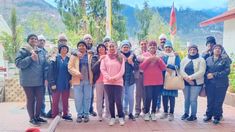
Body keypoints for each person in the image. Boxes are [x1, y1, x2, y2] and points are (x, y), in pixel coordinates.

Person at [15, 34, 48, 125]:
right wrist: (30, 58)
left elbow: (45, 66)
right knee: (31, 99)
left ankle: (37, 116)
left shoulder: (41, 52)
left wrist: (46, 78)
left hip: (40, 80)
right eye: (31, 38)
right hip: (27, 81)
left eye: (35, 39)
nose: (34, 40)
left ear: (37, 41)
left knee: (40, 99)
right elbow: (18, 64)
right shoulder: (23, 51)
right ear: (28, 40)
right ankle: (32, 118)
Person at [203, 44, 231, 125]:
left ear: (221, 50)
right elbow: (205, 69)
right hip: (210, 84)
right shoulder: (208, 59)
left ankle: (217, 117)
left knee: (218, 101)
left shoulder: (225, 59)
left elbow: (227, 71)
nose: (217, 50)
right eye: (216, 48)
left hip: (221, 84)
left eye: (219, 48)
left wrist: (214, 74)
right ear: (212, 50)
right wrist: (207, 74)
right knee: (210, 100)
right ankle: (208, 115)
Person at [100, 41, 125, 126]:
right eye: (110, 46)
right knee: (110, 101)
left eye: (113, 46)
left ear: (116, 47)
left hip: (118, 82)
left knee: (118, 100)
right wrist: (109, 78)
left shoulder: (120, 57)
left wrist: (115, 78)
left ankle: (121, 117)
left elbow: (122, 70)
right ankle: (112, 117)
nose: (111, 48)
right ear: (108, 48)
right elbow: (103, 69)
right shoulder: (104, 58)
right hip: (108, 82)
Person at [140, 40, 166, 121]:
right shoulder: (144, 55)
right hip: (148, 81)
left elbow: (163, 67)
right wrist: (149, 59)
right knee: (148, 97)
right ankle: (146, 113)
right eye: (151, 47)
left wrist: (158, 59)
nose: (152, 48)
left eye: (154, 47)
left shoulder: (159, 56)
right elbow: (141, 67)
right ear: (148, 48)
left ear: (156, 48)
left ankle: (153, 112)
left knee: (155, 97)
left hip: (158, 81)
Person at [68, 40, 93, 123]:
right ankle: (79, 114)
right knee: (78, 98)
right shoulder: (74, 56)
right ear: (77, 47)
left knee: (87, 98)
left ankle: (86, 114)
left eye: (83, 45)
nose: (81, 47)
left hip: (88, 80)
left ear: (86, 47)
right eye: (80, 46)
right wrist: (78, 74)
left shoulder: (90, 55)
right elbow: (70, 67)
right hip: (77, 80)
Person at [180, 44, 206, 121]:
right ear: (188, 51)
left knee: (193, 99)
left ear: (197, 51)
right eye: (191, 50)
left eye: (194, 49)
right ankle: (186, 113)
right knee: (186, 99)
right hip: (185, 82)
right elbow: (181, 70)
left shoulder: (201, 60)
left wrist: (191, 78)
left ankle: (193, 115)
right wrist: (187, 79)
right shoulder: (184, 59)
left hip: (196, 83)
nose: (192, 51)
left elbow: (202, 71)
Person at [49, 44, 72, 121]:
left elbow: (71, 70)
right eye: (62, 48)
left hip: (66, 83)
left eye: (65, 48)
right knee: (55, 101)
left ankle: (65, 114)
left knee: (65, 100)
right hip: (56, 83)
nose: (64, 49)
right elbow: (51, 71)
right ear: (60, 50)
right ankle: (54, 115)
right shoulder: (55, 59)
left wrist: (71, 79)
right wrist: (52, 83)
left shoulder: (69, 59)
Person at [159, 41, 181, 121]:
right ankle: (165, 112)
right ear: (164, 48)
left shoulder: (175, 56)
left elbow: (178, 66)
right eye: (166, 47)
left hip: (172, 78)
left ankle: (171, 113)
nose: (167, 49)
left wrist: (168, 66)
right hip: (163, 78)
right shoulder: (162, 56)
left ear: (172, 48)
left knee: (172, 97)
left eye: (169, 47)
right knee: (164, 96)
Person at [121, 40, 139, 121]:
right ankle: (123, 111)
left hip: (131, 80)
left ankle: (131, 113)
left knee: (131, 97)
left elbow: (136, 67)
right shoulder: (118, 56)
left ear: (129, 48)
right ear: (121, 48)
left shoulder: (133, 56)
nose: (125, 48)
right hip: (121, 80)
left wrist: (131, 63)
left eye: (127, 47)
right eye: (124, 47)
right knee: (122, 97)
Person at [91, 43, 110, 121]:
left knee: (108, 98)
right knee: (99, 99)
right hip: (99, 80)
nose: (101, 48)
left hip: (108, 80)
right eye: (99, 47)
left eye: (103, 47)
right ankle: (100, 114)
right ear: (97, 49)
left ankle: (108, 114)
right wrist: (99, 60)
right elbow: (93, 68)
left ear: (105, 49)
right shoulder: (95, 57)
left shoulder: (109, 56)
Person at [83, 34, 97, 117]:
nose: (88, 40)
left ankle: (90, 109)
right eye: (86, 38)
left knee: (91, 94)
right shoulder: (80, 48)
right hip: (82, 75)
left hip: (91, 75)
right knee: (83, 94)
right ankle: (84, 110)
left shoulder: (94, 49)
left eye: (89, 38)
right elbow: (73, 52)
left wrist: (93, 53)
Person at [135, 40, 147, 118]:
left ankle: (145, 110)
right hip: (139, 75)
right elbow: (139, 58)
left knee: (146, 94)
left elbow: (161, 54)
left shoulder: (150, 52)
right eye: (141, 44)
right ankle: (137, 111)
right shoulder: (137, 52)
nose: (143, 45)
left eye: (144, 44)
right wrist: (148, 58)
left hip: (148, 75)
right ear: (140, 45)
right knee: (138, 93)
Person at [37, 34, 48, 118]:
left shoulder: (46, 52)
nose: (42, 42)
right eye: (40, 40)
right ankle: (36, 113)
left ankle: (42, 111)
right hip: (36, 78)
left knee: (42, 96)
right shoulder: (34, 51)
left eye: (43, 40)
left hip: (44, 77)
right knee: (36, 97)